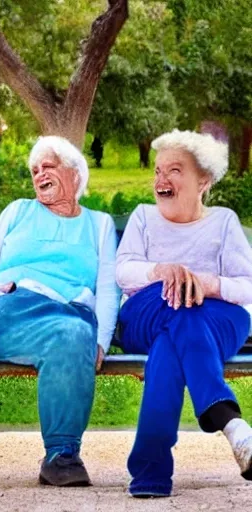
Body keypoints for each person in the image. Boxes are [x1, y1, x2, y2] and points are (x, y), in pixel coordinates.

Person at [0, 135, 120, 487]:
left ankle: (61, 458)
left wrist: (99, 341)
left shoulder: (98, 224)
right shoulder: (18, 211)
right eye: (34, 170)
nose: (39, 175)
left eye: (47, 167)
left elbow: (109, 289)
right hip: (12, 309)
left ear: (75, 174)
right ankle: (65, 340)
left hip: (69, 316)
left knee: (74, 334)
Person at [116, 129, 252, 498]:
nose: (161, 179)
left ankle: (150, 474)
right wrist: (160, 271)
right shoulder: (143, 217)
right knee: (178, 306)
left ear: (203, 180)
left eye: (174, 170)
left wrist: (209, 284)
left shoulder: (223, 221)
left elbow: (248, 284)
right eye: (158, 171)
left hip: (215, 318)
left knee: (176, 337)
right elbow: (123, 269)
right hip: (147, 311)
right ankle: (232, 423)